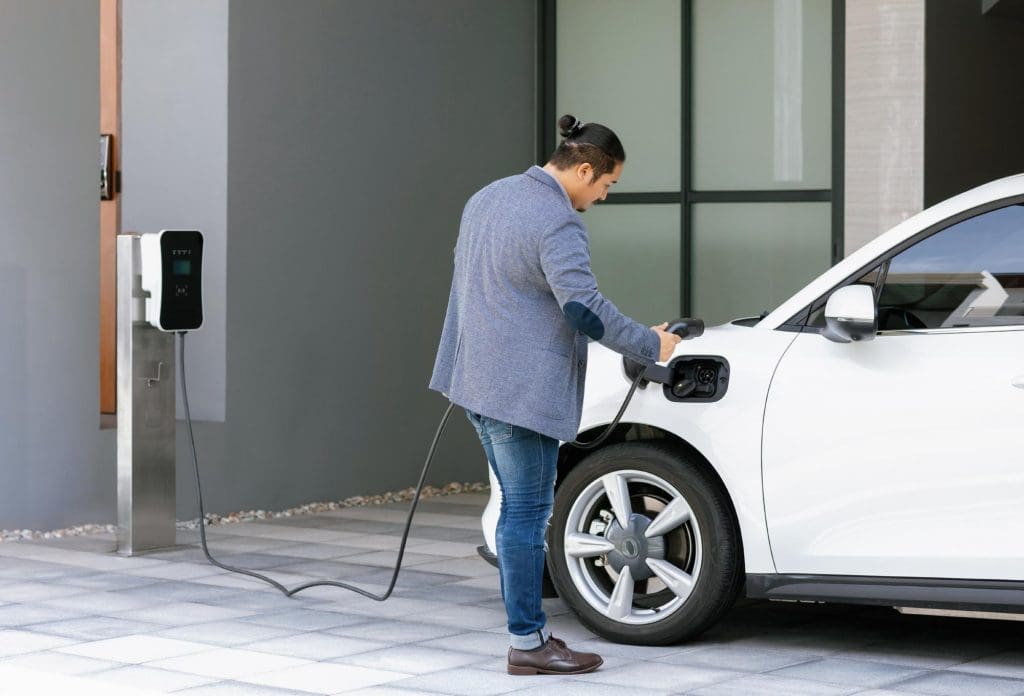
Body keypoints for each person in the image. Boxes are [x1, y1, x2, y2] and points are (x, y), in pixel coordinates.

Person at [429, 114, 681, 675]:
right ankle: (528, 642)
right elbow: (582, 307)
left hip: (474, 379)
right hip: (521, 394)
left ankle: (529, 634)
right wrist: (650, 341)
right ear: (585, 168)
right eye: (607, 184)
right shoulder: (557, 220)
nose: (603, 196)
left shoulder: (487, 197)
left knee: (514, 513)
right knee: (525, 514)